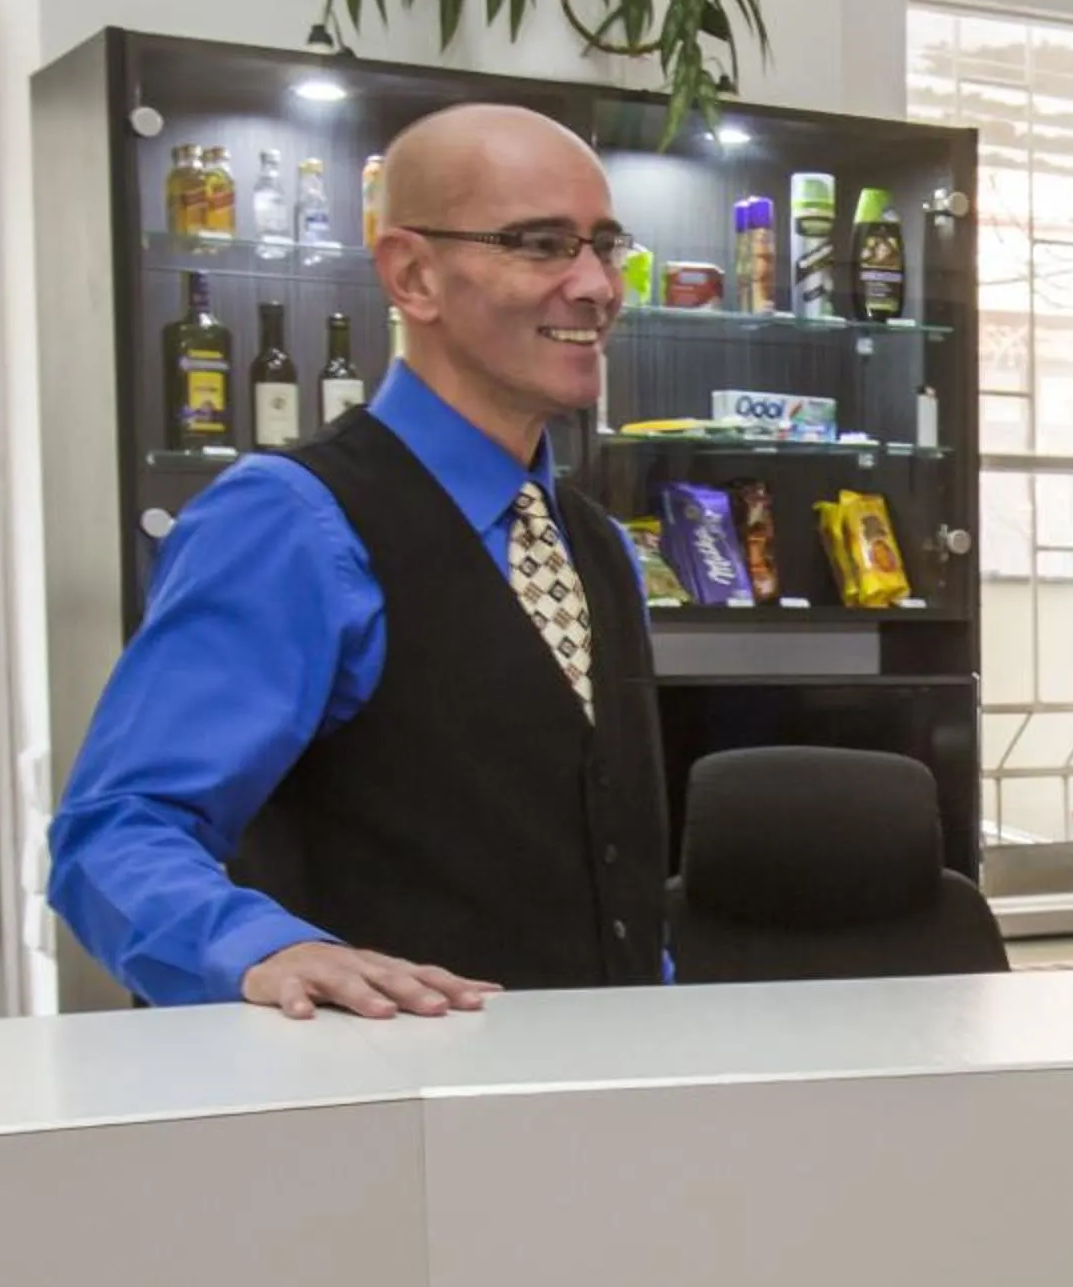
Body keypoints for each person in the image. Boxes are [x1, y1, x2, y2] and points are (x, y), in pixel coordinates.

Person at [50, 104, 667, 1019]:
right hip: (378, 1118)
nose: (595, 286)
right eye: (540, 245)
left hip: (596, 1106)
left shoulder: (600, 547)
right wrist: (262, 950)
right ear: (413, 275)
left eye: (605, 246)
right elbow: (115, 832)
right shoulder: (290, 521)